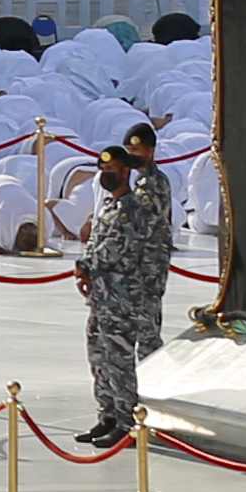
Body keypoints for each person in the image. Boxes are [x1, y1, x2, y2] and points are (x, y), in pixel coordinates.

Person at [79, 133, 175, 449]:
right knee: (99, 356)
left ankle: (126, 422)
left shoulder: (133, 207)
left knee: (120, 358)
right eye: (103, 170)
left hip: (126, 294)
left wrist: (86, 264)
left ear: (125, 172)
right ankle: (107, 414)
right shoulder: (109, 205)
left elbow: (117, 248)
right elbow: (95, 239)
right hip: (102, 296)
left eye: (113, 170)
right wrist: (86, 268)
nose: (106, 175)